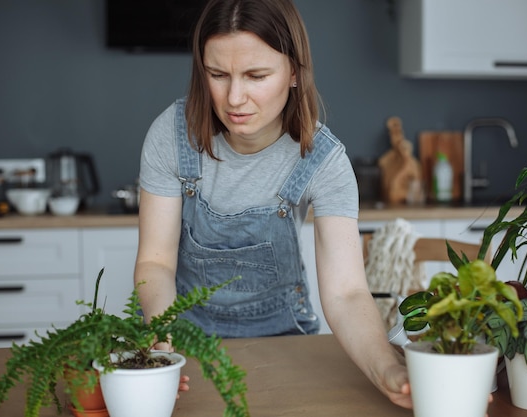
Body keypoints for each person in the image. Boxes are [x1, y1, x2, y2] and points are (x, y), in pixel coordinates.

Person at [134, 0, 411, 409]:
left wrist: (388, 370)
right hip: (182, 347)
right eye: (217, 75)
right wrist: (163, 347)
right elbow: (156, 263)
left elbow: (347, 292)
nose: (234, 97)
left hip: (284, 346)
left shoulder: (324, 161)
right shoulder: (171, 136)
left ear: (294, 72)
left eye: (256, 75)